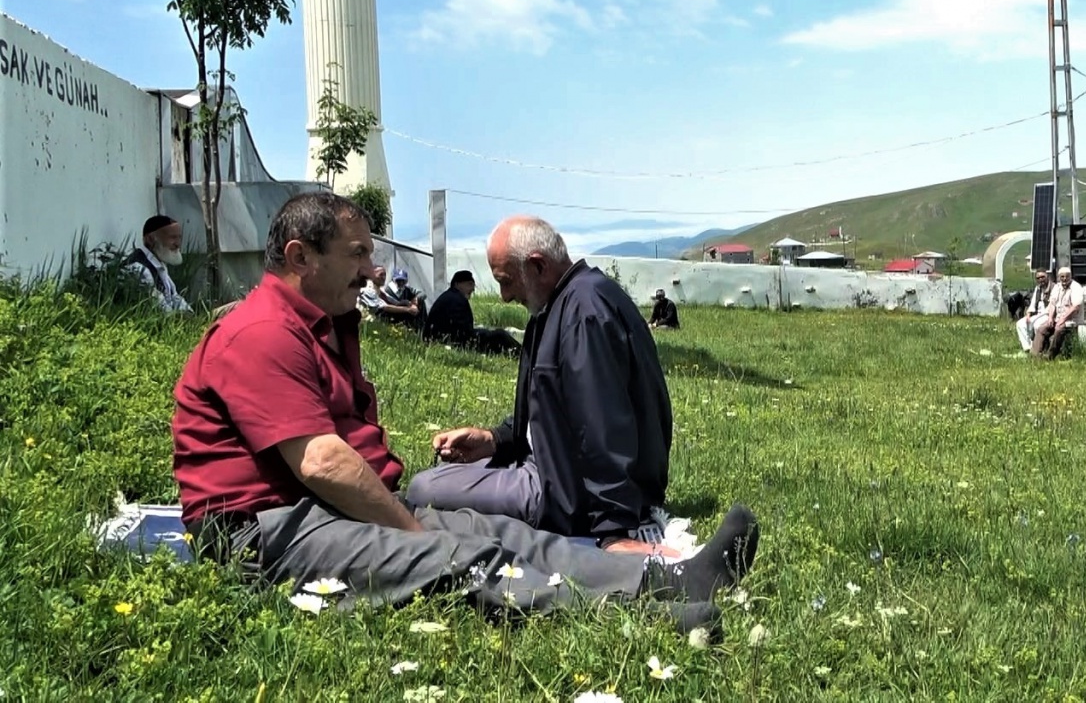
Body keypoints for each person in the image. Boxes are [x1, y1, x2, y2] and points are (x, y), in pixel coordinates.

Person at [172, 192, 756, 632]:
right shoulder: (260, 332)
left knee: (497, 530)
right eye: (357, 255)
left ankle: (671, 576)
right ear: (301, 257)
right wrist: (409, 530)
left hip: (324, 512)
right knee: (460, 555)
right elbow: (321, 462)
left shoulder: (312, 328)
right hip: (270, 531)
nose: (372, 272)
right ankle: (642, 617)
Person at [408, 216, 674, 548]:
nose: (504, 297)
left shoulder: (583, 312)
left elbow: (605, 426)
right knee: (428, 485)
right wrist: (496, 439)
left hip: (566, 490)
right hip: (555, 465)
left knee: (422, 490)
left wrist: (613, 529)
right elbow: (551, 408)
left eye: (506, 281)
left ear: (537, 266)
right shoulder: (564, 303)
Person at [425, 270, 522, 356]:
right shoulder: (456, 300)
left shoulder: (451, 296)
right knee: (499, 335)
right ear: (457, 284)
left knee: (491, 333)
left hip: (443, 340)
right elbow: (462, 332)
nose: (473, 289)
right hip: (450, 342)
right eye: (470, 284)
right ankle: (521, 354)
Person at [125, 214, 191, 313]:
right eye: (172, 237)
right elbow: (161, 311)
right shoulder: (139, 268)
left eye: (179, 237)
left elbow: (176, 299)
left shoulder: (159, 264)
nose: (178, 243)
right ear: (150, 239)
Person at [1032, 266, 1083, 359]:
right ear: (1059, 277)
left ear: (1070, 276)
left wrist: (1063, 319)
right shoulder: (1057, 287)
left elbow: (1076, 307)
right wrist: (1051, 318)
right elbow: (1052, 303)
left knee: (1059, 329)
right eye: (1062, 277)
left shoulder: (1076, 287)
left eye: (1067, 276)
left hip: (1071, 320)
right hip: (1057, 318)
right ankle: (1034, 354)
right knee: (1042, 329)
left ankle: (1050, 356)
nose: (1064, 279)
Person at [358, 265, 422, 330]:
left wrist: (409, 304)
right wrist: (408, 309)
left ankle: (418, 330)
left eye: (385, 275)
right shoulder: (368, 289)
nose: (384, 277)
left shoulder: (380, 289)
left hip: (382, 316)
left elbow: (393, 301)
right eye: (381, 275)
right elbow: (384, 307)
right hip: (371, 319)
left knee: (416, 304)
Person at [1014, 271, 1051, 352]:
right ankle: (1028, 348)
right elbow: (1033, 303)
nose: (1041, 279)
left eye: (1042, 277)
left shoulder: (1054, 287)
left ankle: (1039, 348)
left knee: (1037, 325)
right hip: (1038, 313)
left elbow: (1052, 306)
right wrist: (1028, 314)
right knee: (1020, 324)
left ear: (1047, 276)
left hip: (1048, 314)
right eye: (1038, 278)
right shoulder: (1037, 288)